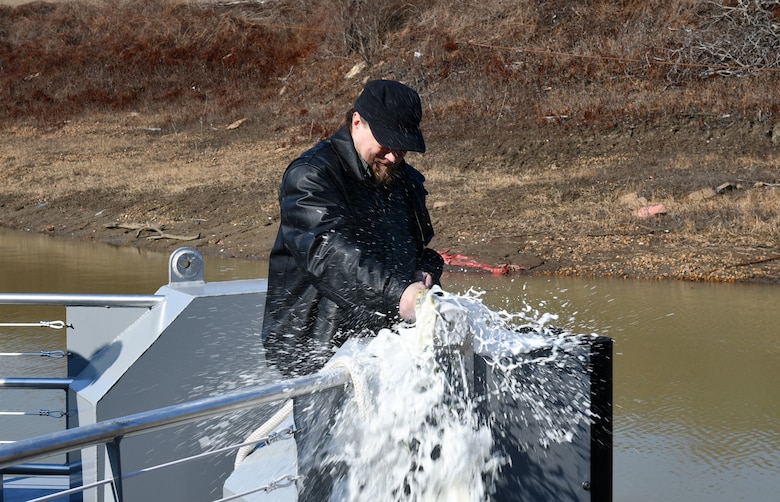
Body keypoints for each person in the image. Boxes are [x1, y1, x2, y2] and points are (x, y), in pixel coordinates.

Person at [261, 79, 443, 500]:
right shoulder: (310, 176)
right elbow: (329, 255)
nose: (394, 155)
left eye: (403, 146)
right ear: (356, 121)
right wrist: (400, 295)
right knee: (328, 475)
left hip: (387, 346)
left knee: (398, 467)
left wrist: (424, 276)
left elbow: (425, 251)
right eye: (387, 143)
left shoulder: (404, 180)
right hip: (320, 350)